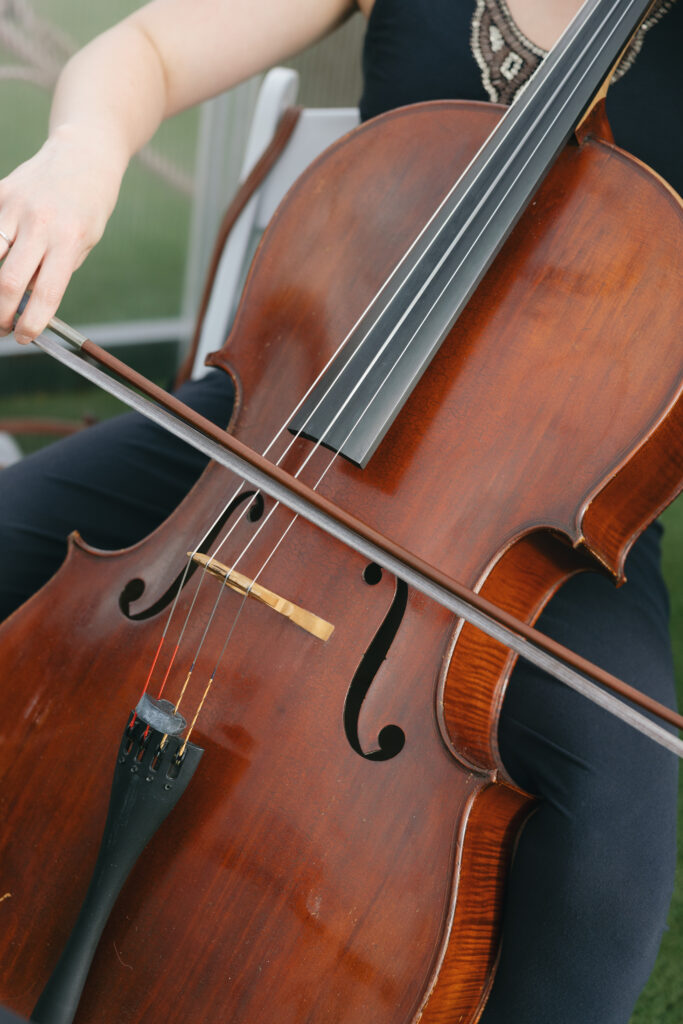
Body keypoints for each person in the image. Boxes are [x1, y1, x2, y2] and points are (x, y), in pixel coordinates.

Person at [0, 1, 680, 1021]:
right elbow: (141, 48)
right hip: (283, 414)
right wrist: (81, 154)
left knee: (613, 818)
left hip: (538, 498)